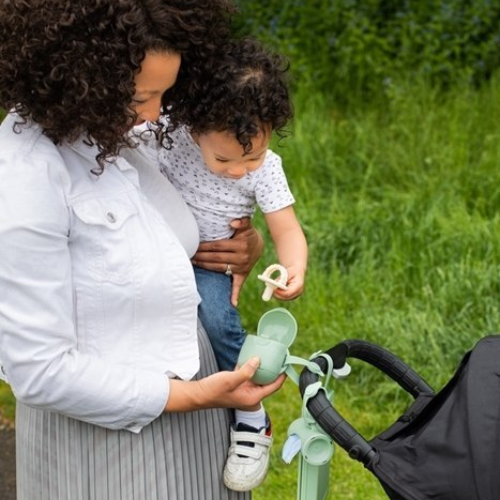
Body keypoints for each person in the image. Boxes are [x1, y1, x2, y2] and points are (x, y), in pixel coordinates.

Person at [0, 2, 285, 500]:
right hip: (108, 445)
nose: (154, 116)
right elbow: (40, 371)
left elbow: (156, 241)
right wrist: (194, 395)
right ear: (81, 76)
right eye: (141, 96)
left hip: (197, 418)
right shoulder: (26, 174)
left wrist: (243, 244)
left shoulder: (116, 136)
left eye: (163, 94)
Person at [158, 38, 308, 491]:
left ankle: (251, 416)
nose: (240, 170)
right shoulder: (168, 135)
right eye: (224, 158)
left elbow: (286, 228)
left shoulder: (267, 169)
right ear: (194, 127)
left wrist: (293, 267)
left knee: (220, 321)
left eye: (252, 156)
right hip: (157, 251)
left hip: (209, 266)